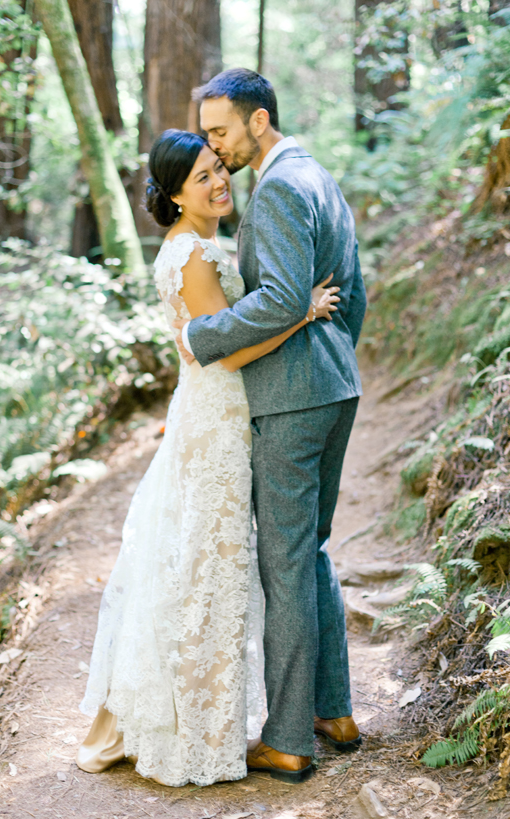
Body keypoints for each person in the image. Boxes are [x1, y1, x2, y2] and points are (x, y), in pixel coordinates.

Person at [76, 128, 340, 787]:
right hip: (214, 421)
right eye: (201, 176)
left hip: (224, 415)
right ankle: (193, 733)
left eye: (218, 166)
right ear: (172, 194)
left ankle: (206, 722)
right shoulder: (190, 252)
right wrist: (301, 313)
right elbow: (228, 347)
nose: (219, 179)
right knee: (205, 569)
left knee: (209, 565)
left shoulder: (207, 242)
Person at [174, 68, 367, 781]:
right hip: (333, 381)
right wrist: (335, 350)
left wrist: (206, 336)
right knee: (308, 550)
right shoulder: (314, 173)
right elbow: (356, 290)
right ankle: (332, 708)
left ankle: (288, 737)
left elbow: (285, 296)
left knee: (284, 561)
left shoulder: (280, 186)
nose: (214, 147)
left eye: (220, 131)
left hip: (292, 396)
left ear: (259, 120)